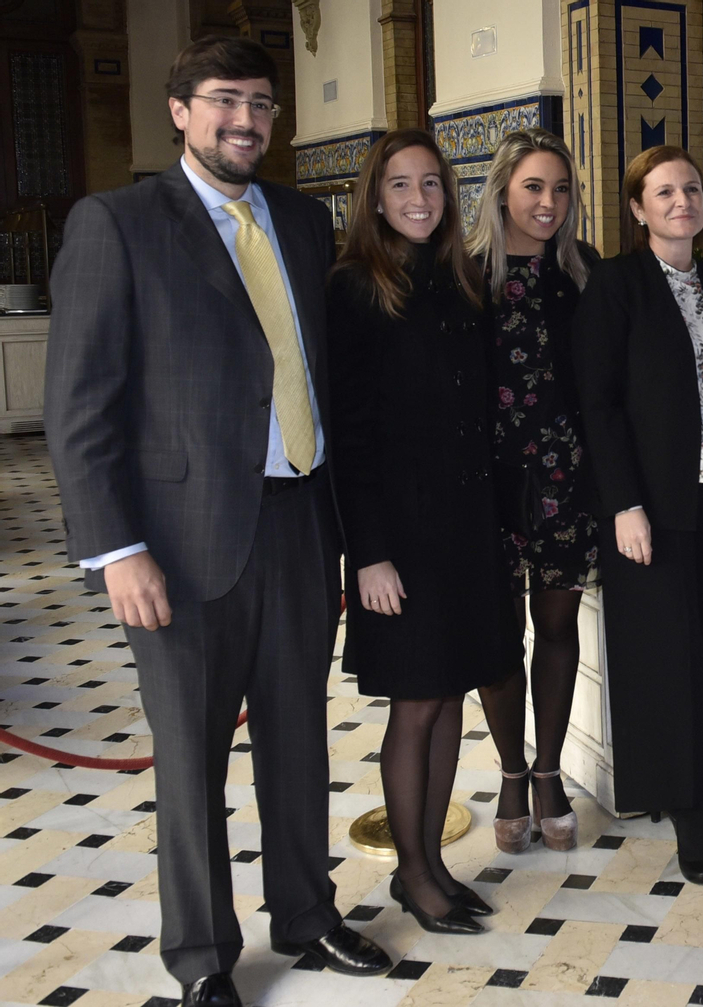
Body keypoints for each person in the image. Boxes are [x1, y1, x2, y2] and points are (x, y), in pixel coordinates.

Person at [42, 36, 392, 1007]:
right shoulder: (116, 224)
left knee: (299, 738)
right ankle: (201, 959)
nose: (248, 120)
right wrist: (118, 548)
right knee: (190, 759)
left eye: (264, 104)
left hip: (297, 525)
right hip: (181, 547)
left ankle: (309, 916)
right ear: (180, 110)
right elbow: (81, 408)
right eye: (227, 100)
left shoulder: (300, 219)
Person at [328, 128, 505, 935]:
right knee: (416, 702)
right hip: (398, 536)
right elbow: (349, 433)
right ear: (374, 197)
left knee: (451, 696)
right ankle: (412, 874)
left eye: (431, 184)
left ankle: (431, 864)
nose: (418, 199)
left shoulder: (459, 279)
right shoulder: (354, 288)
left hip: (466, 528)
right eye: (401, 185)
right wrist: (367, 553)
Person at [573, 145, 703, 885]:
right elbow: (600, 402)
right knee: (660, 651)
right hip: (649, 504)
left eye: (691, 188)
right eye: (664, 191)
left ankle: (690, 777)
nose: (681, 200)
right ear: (638, 208)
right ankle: (684, 805)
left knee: (702, 645)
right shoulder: (617, 285)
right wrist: (624, 503)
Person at [464, 129, 599, 854]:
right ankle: (512, 773)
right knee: (496, 639)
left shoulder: (583, 273)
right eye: (534, 188)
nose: (549, 203)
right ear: (502, 192)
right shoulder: (464, 272)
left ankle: (550, 773)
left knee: (555, 628)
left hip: (565, 478)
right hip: (484, 484)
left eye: (560, 189)